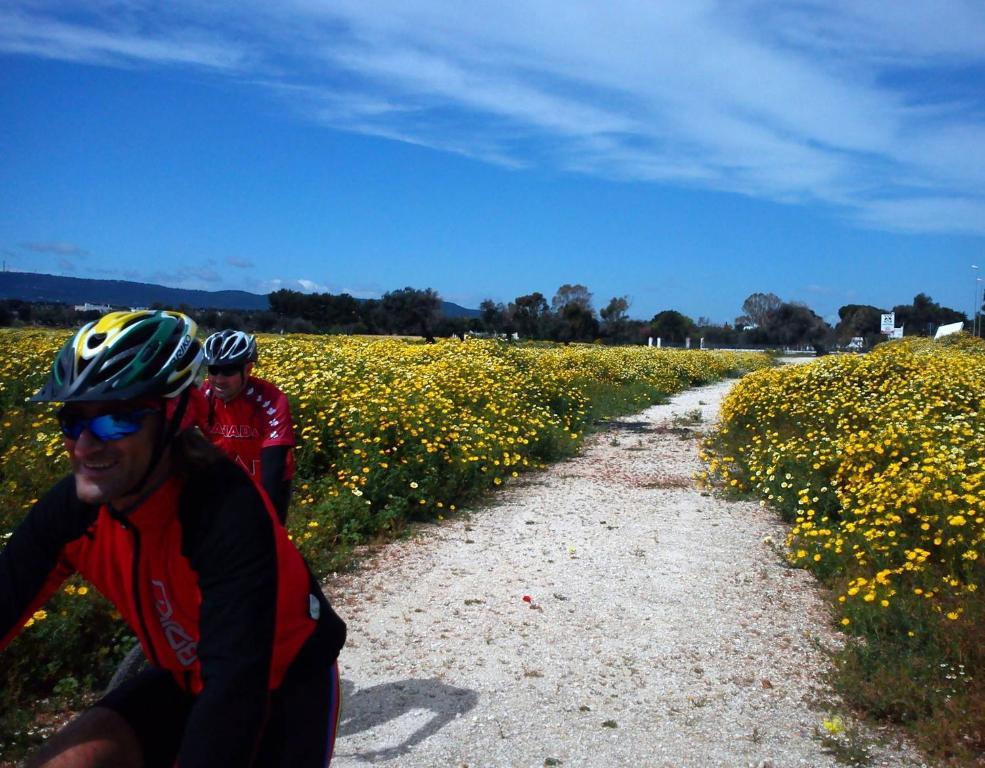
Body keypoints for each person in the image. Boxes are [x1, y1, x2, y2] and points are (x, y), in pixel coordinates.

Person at [0, 310, 346, 767]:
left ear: (175, 416)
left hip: (283, 683)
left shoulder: (228, 513)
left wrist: (270, 532)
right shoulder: (73, 508)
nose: (84, 445)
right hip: (183, 674)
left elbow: (234, 693)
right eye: (73, 420)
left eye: (117, 420)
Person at [200, 329, 296, 524]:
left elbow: (274, 465)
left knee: (267, 536)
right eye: (213, 369)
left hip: (268, 480)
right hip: (227, 480)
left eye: (228, 370)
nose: (219, 379)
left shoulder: (271, 400)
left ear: (248, 369)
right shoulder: (203, 396)